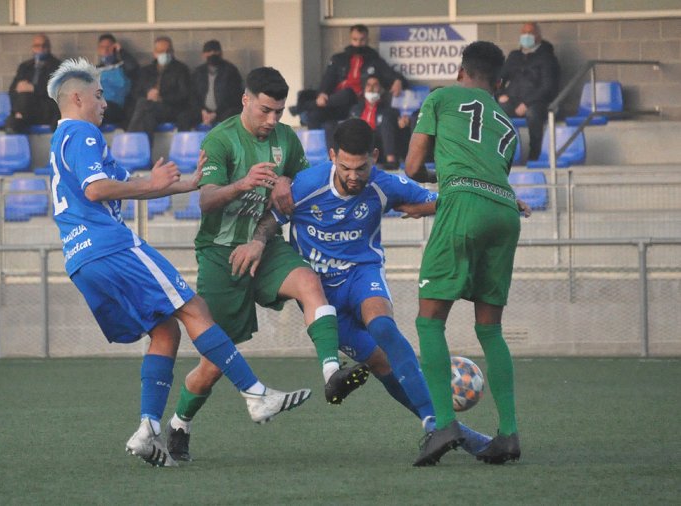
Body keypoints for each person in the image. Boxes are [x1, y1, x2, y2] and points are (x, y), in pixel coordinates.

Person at [45, 58, 311, 467]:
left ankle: (147, 430)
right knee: (194, 308)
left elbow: (121, 189)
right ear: (76, 98)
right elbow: (98, 191)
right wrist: (151, 183)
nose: (104, 103)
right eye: (99, 95)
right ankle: (256, 395)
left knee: (165, 330)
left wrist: (182, 184)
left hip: (80, 259)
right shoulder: (83, 133)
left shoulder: (60, 142)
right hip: (111, 246)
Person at [250, 118, 492, 457]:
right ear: (333, 156)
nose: (353, 176)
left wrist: (494, 201)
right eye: (346, 167)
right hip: (322, 298)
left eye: (361, 167)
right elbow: (269, 221)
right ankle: (443, 426)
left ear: (374, 156)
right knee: (380, 363)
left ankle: (438, 426)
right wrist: (258, 242)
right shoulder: (306, 186)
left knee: (382, 326)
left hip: (362, 275)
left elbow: (434, 201)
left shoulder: (383, 184)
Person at [163, 67, 369, 462]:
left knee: (309, 283)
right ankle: (179, 423)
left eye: (278, 112)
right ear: (246, 100)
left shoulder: (286, 140)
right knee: (213, 364)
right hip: (221, 255)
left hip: (266, 243)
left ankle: (331, 373)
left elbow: (301, 187)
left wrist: (286, 183)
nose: (272, 120)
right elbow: (204, 201)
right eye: (265, 111)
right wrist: (243, 183)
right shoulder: (221, 139)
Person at [404, 41, 532, 466]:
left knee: (429, 320)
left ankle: (444, 425)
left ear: (461, 71)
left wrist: (432, 176)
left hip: (462, 207)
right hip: (505, 211)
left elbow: (411, 167)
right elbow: (490, 177)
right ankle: (510, 434)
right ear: (498, 83)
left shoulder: (441, 97)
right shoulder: (511, 126)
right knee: (490, 329)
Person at [293, 25, 406, 141]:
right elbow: (328, 79)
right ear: (350, 39)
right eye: (355, 39)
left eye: (362, 40)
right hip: (335, 103)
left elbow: (393, 75)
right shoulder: (338, 59)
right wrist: (322, 94)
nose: (358, 43)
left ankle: (304, 106)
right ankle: (316, 153)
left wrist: (397, 81)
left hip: (357, 104)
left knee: (347, 93)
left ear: (367, 40)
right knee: (314, 115)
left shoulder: (375, 61)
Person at [497, 22, 559, 161]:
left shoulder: (547, 58)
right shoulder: (514, 56)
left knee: (533, 114)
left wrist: (526, 103)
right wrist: (500, 94)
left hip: (537, 103)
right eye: (523, 33)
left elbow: (548, 87)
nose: (526, 36)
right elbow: (499, 78)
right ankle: (500, 153)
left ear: (538, 36)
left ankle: (534, 154)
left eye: (530, 33)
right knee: (494, 111)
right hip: (513, 100)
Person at [127, 36, 193, 143]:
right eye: (161, 51)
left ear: (173, 51)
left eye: (168, 51)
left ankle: (130, 139)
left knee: (143, 104)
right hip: (152, 109)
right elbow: (136, 92)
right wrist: (148, 95)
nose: (165, 54)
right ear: (155, 53)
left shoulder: (181, 69)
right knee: (147, 115)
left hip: (172, 108)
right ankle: (146, 152)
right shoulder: (146, 71)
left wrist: (161, 98)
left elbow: (184, 94)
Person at [5, 33, 61, 133]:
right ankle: (18, 118)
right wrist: (19, 87)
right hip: (27, 108)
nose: (41, 49)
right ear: (32, 48)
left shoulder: (57, 66)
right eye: (37, 46)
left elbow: (55, 90)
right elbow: (12, 91)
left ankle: (20, 115)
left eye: (44, 46)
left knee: (24, 99)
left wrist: (33, 88)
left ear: (49, 48)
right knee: (11, 123)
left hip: (45, 109)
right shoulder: (25, 66)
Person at [349, 75, 407, 169]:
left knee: (386, 121)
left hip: (380, 146)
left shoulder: (389, 110)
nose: (371, 88)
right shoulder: (355, 109)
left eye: (375, 85)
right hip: (362, 145)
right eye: (368, 85)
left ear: (381, 89)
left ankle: (391, 161)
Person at [189, 39, 244, 129]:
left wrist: (216, 113)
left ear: (221, 53)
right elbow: (193, 96)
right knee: (184, 117)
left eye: (215, 51)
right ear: (203, 55)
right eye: (209, 51)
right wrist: (202, 111)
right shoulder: (198, 72)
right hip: (202, 112)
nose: (212, 54)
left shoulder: (230, 71)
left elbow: (234, 97)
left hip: (224, 112)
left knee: (232, 117)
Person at [95, 33, 139, 129]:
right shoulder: (94, 71)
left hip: (116, 109)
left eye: (109, 47)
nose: (106, 50)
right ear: (98, 50)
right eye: (102, 47)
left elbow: (134, 68)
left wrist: (121, 51)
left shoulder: (123, 66)